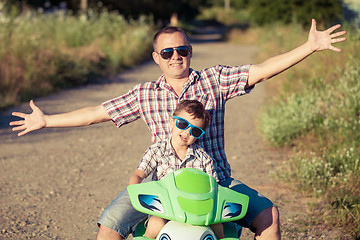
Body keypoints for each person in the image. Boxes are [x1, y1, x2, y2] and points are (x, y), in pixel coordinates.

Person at [9, 19, 346, 240]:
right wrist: (47, 120)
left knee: (268, 215)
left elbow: (261, 71)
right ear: (157, 57)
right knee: (109, 224)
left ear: (190, 52)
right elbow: (97, 112)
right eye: (167, 52)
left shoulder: (213, 80)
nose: (175, 57)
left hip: (216, 184)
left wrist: (309, 47)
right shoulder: (146, 94)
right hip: (161, 187)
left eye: (181, 50)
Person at [129, 99, 224, 239]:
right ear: (172, 121)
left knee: (217, 226)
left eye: (195, 131)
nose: (187, 132)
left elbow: (214, 187)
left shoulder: (204, 158)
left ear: (200, 134)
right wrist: (134, 189)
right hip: (165, 209)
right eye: (183, 124)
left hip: (196, 210)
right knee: (155, 224)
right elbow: (139, 173)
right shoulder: (157, 151)